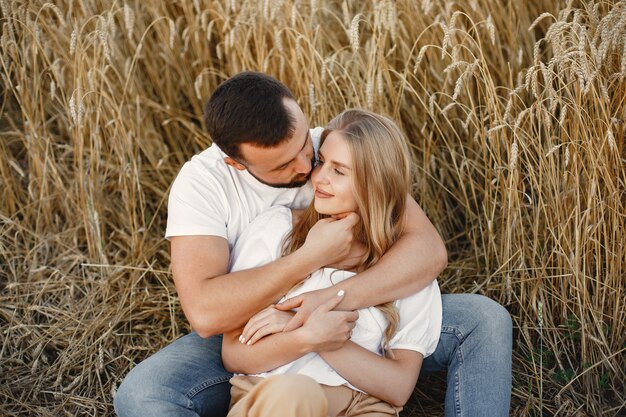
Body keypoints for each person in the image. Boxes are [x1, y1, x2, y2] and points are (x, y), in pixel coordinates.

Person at [114, 72, 512, 417]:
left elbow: (426, 249)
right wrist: (313, 258)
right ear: (237, 163)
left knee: (483, 320)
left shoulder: (337, 147)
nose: (307, 170)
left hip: (360, 316)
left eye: (307, 147)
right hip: (254, 328)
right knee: (143, 395)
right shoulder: (204, 186)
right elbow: (205, 314)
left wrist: (323, 302)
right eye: (284, 166)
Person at [221, 109, 442, 417]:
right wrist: (307, 336)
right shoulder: (277, 230)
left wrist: (314, 333)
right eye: (322, 161)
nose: (319, 177)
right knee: (295, 392)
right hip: (280, 399)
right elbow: (234, 354)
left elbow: (398, 387)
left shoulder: (405, 269)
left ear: (374, 183)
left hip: (362, 408)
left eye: (339, 171)